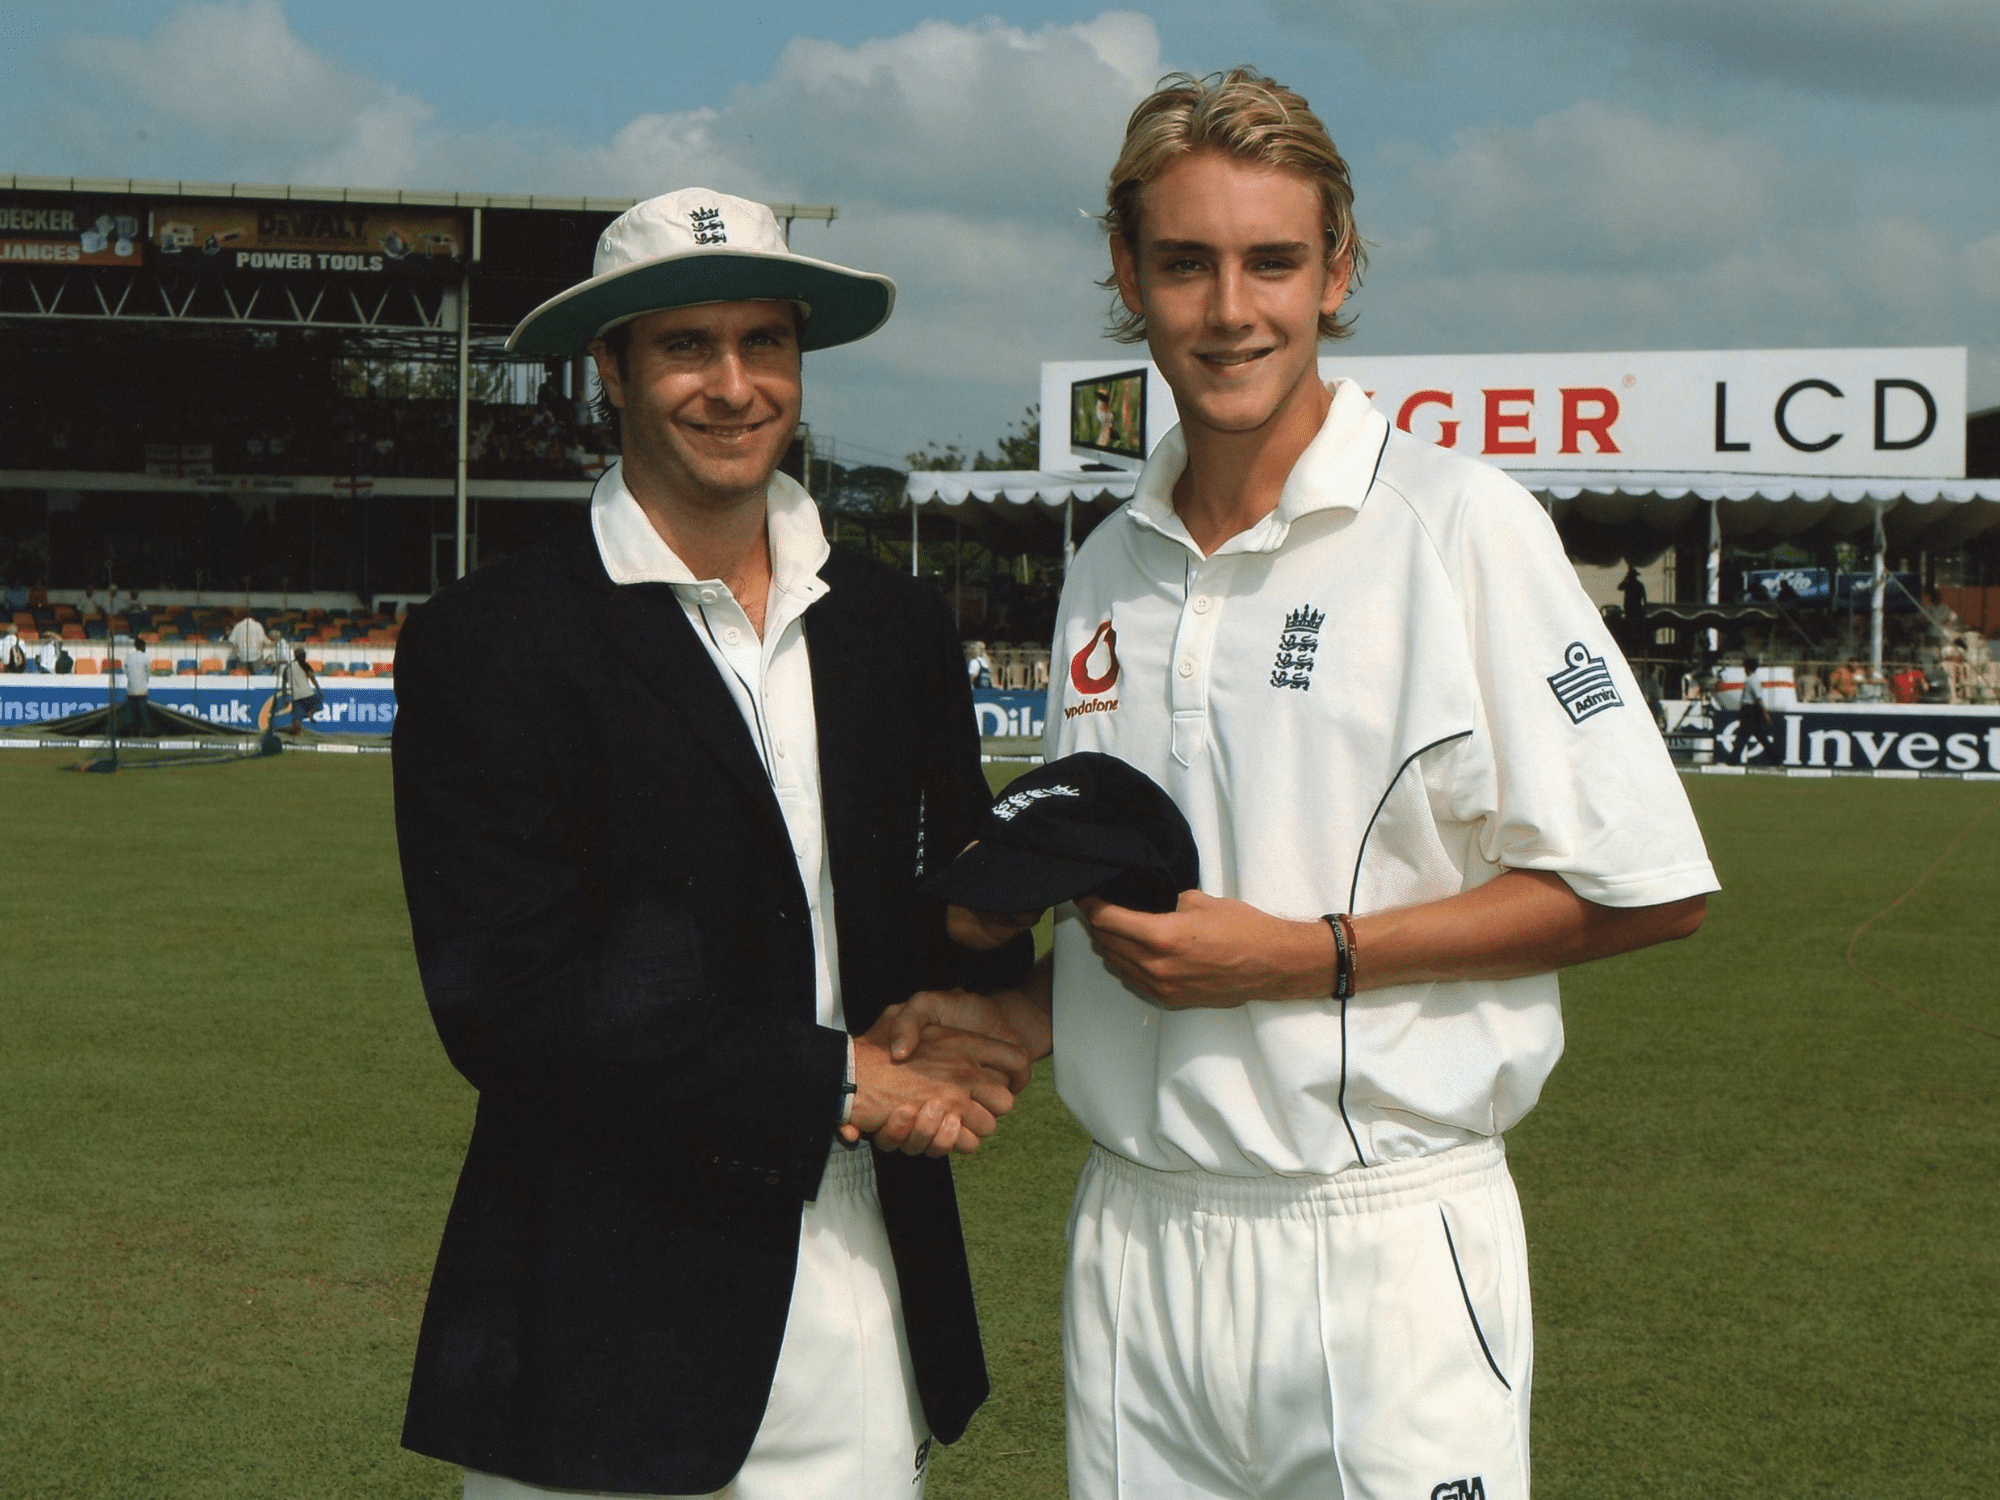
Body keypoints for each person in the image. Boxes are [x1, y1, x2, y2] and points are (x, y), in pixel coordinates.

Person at [891, 69, 1715, 1500]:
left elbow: (1642, 889)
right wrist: (1024, 1017)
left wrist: (1303, 961)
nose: (1231, 311)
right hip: (1138, 1240)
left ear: (1337, 273)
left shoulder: (1459, 527)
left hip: (1381, 1243)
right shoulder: (1108, 562)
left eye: (1274, 262)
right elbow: (1151, 909)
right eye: (1188, 263)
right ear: (1125, 275)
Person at [390, 188, 1032, 1500]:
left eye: (766, 343)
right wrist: (832, 1083)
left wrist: (997, 980)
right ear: (611, 373)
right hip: (595, 1316)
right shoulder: (493, 638)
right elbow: (504, 1004)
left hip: (858, 1295)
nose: (734, 386)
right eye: (686, 346)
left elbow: (936, 912)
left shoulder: (895, 627)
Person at [283, 647, 321, 734]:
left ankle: (297, 733)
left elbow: (284, 684)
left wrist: (285, 696)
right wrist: (318, 688)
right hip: (307, 693)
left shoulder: (288, 667)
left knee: (297, 717)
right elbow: (312, 678)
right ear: (303, 656)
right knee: (319, 705)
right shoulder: (303, 664)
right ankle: (310, 713)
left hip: (296, 696)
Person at [121, 642, 154, 735]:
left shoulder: (129, 657)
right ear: (143, 647)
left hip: (131, 689)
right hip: (142, 689)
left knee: (131, 711)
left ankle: (130, 731)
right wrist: (144, 680)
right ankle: (143, 731)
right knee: (142, 711)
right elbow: (148, 672)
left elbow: (126, 671)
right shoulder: (146, 658)